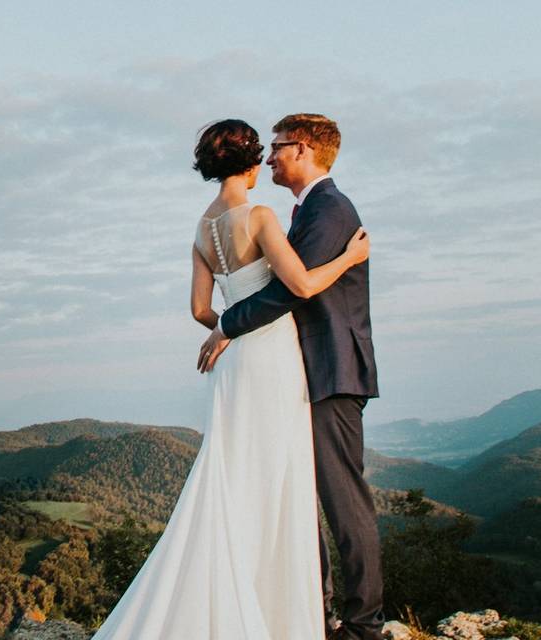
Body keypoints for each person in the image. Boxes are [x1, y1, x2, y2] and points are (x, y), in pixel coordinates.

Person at [90, 118, 369, 640]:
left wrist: (227, 325)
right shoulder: (260, 216)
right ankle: (281, 607)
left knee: (236, 467)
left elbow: (200, 309)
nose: (267, 162)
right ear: (247, 162)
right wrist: (352, 256)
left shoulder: (201, 229)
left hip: (234, 360)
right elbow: (303, 285)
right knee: (280, 471)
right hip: (274, 356)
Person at [199, 114, 383, 640]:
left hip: (330, 370)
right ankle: (311, 613)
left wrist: (229, 325)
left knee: (342, 497)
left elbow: (291, 289)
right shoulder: (302, 212)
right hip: (299, 371)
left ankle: (364, 625)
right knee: (298, 493)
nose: (268, 157)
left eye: (277, 147)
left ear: (301, 150)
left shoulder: (329, 209)